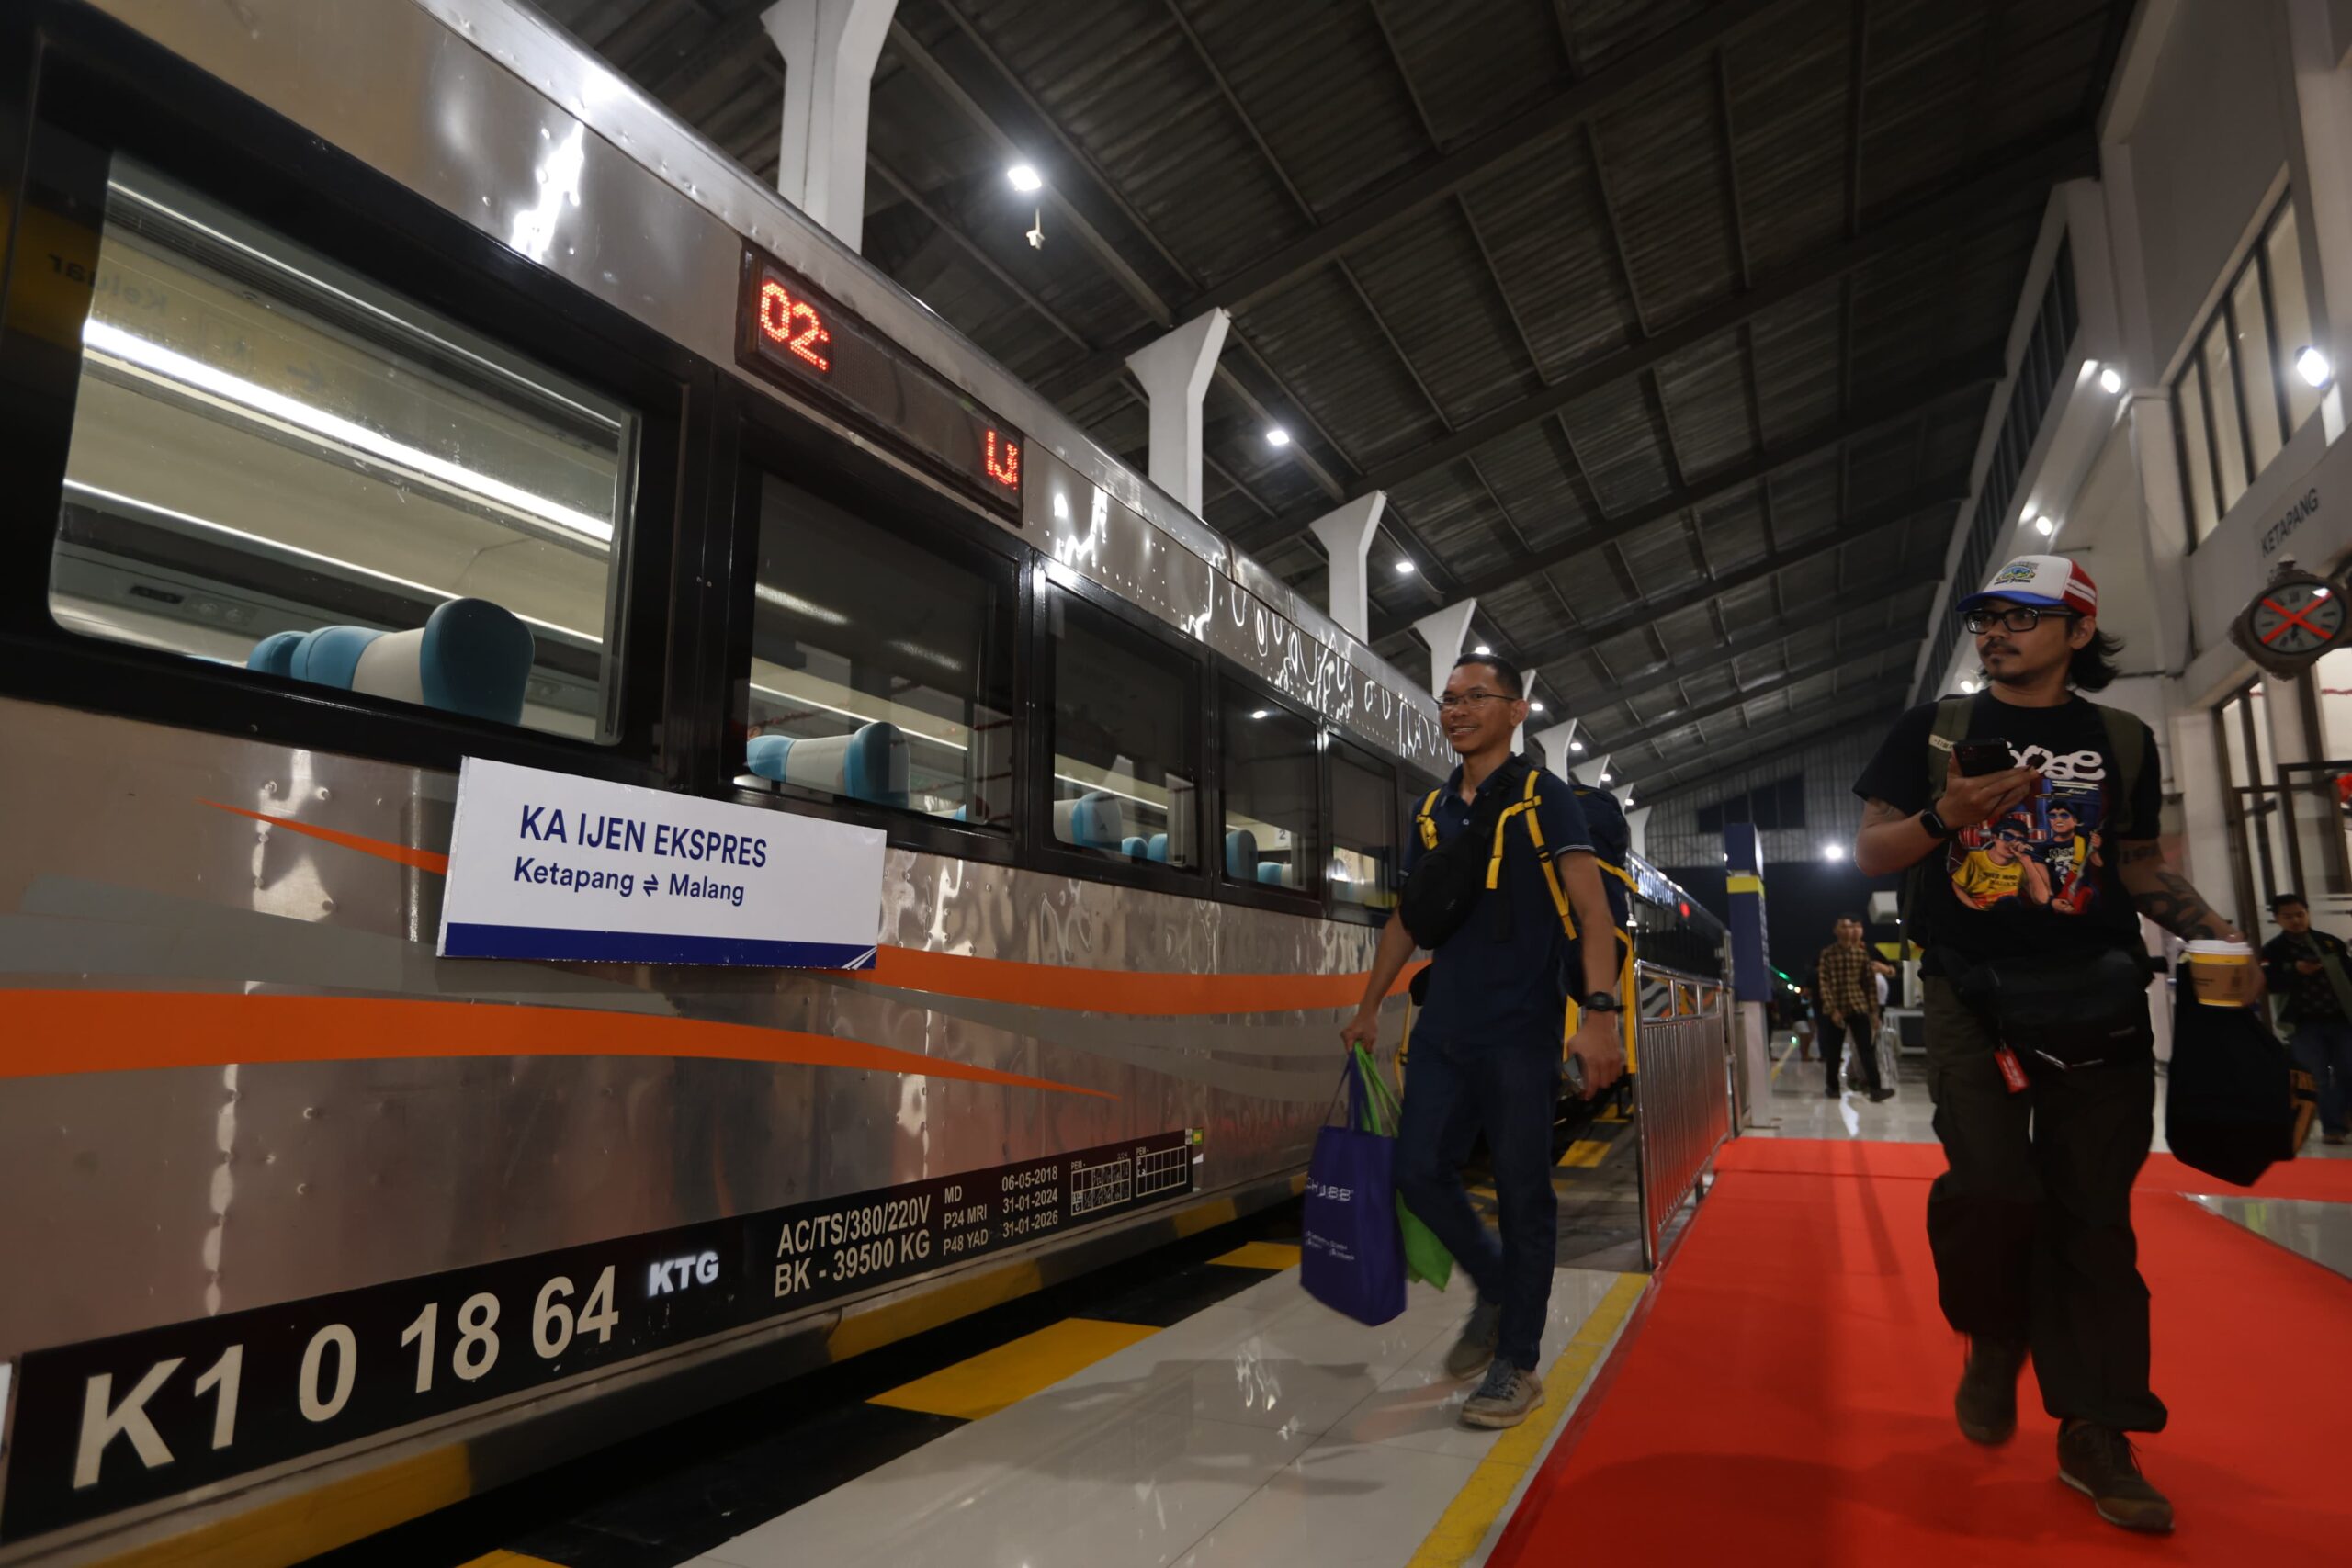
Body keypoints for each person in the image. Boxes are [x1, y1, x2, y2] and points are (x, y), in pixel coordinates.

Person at [1852, 554, 2257, 1535]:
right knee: (1992, 1185)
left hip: (2096, 994)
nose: (1996, 632)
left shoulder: (2119, 736)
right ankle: (1994, 1333)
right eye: (1986, 617)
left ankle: (2097, 1431)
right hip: (1968, 996)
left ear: (2078, 630)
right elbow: (1871, 851)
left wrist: (2214, 933)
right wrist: (1945, 815)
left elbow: (2135, 865)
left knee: (2093, 1218)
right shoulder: (1934, 730)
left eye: (2023, 617)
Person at [1340, 652, 1626, 1431]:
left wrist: (1600, 1013)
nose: (1456, 709)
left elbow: (1593, 912)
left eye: (1475, 697)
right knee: (1418, 1169)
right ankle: (1498, 1285)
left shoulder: (1546, 797)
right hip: (1446, 1027)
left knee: (1525, 1193)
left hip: (1522, 1030)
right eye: (1449, 698)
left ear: (1516, 710)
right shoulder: (1432, 811)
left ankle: (1519, 1361)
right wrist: (1368, 1006)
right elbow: (1407, 917)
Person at [2261, 893, 2352, 1145]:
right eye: (2288, 917)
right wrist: (2295, 971)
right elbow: (2271, 983)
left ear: (2307, 913)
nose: (2296, 921)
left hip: (2341, 1018)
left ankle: (2344, 1113)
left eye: (2300, 914)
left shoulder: (2329, 943)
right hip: (2304, 1023)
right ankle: (2333, 1127)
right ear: (2277, 919)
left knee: (2348, 1070)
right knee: (2317, 1076)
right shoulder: (2273, 950)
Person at [1813, 915, 1895, 1101]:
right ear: (1835, 930)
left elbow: (1869, 985)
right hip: (1837, 1009)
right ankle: (1832, 1087)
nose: (1848, 930)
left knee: (1867, 1049)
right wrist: (1831, 1008)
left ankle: (1875, 1089)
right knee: (1834, 1051)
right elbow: (1824, 983)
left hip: (1859, 1007)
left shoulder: (1861, 954)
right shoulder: (1828, 954)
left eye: (1850, 927)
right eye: (1843, 926)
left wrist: (1873, 1012)